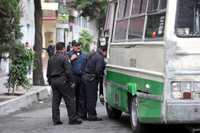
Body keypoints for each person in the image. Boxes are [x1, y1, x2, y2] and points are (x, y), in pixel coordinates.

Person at [47, 42, 82, 125]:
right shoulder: (64, 57)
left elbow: (48, 72)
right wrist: (72, 81)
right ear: (63, 48)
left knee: (55, 101)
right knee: (70, 100)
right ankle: (72, 119)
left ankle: (56, 120)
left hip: (54, 81)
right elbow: (68, 71)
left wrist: (50, 82)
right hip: (63, 81)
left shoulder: (51, 58)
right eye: (65, 48)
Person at [81, 45, 107, 121]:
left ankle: (83, 115)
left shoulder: (92, 54)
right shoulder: (100, 58)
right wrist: (100, 77)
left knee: (84, 98)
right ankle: (92, 116)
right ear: (104, 51)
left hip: (85, 77)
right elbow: (98, 70)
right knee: (91, 98)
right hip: (91, 80)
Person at [67, 41, 87, 120]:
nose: (78, 47)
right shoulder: (69, 54)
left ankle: (81, 114)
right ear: (73, 47)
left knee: (81, 96)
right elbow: (65, 64)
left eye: (79, 45)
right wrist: (70, 59)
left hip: (82, 77)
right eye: (76, 46)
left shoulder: (84, 55)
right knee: (73, 96)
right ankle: (73, 114)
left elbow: (87, 65)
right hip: (73, 78)